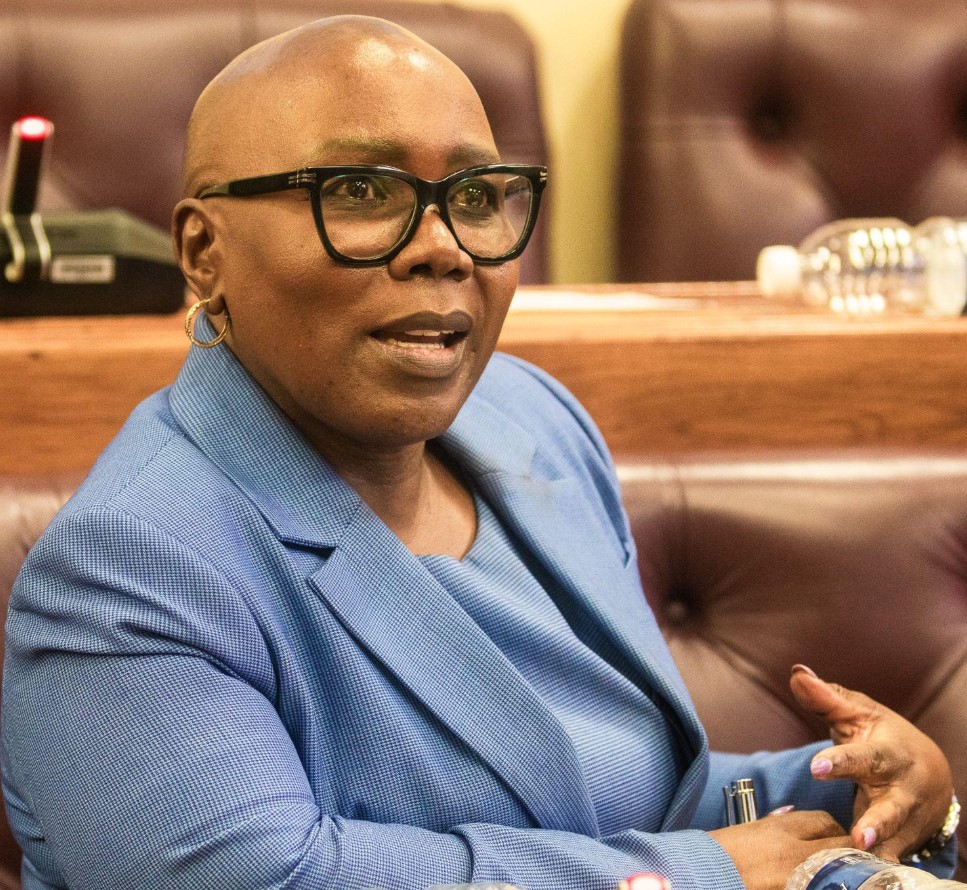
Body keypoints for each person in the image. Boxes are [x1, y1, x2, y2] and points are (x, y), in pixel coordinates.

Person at [1, 15, 957, 890]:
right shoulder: (130, 567)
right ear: (203, 252)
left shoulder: (529, 418)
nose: (443, 247)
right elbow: (271, 878)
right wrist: (699, 876)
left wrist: (844, 791)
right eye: (360, 191)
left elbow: (603, 800)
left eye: (473, 195)